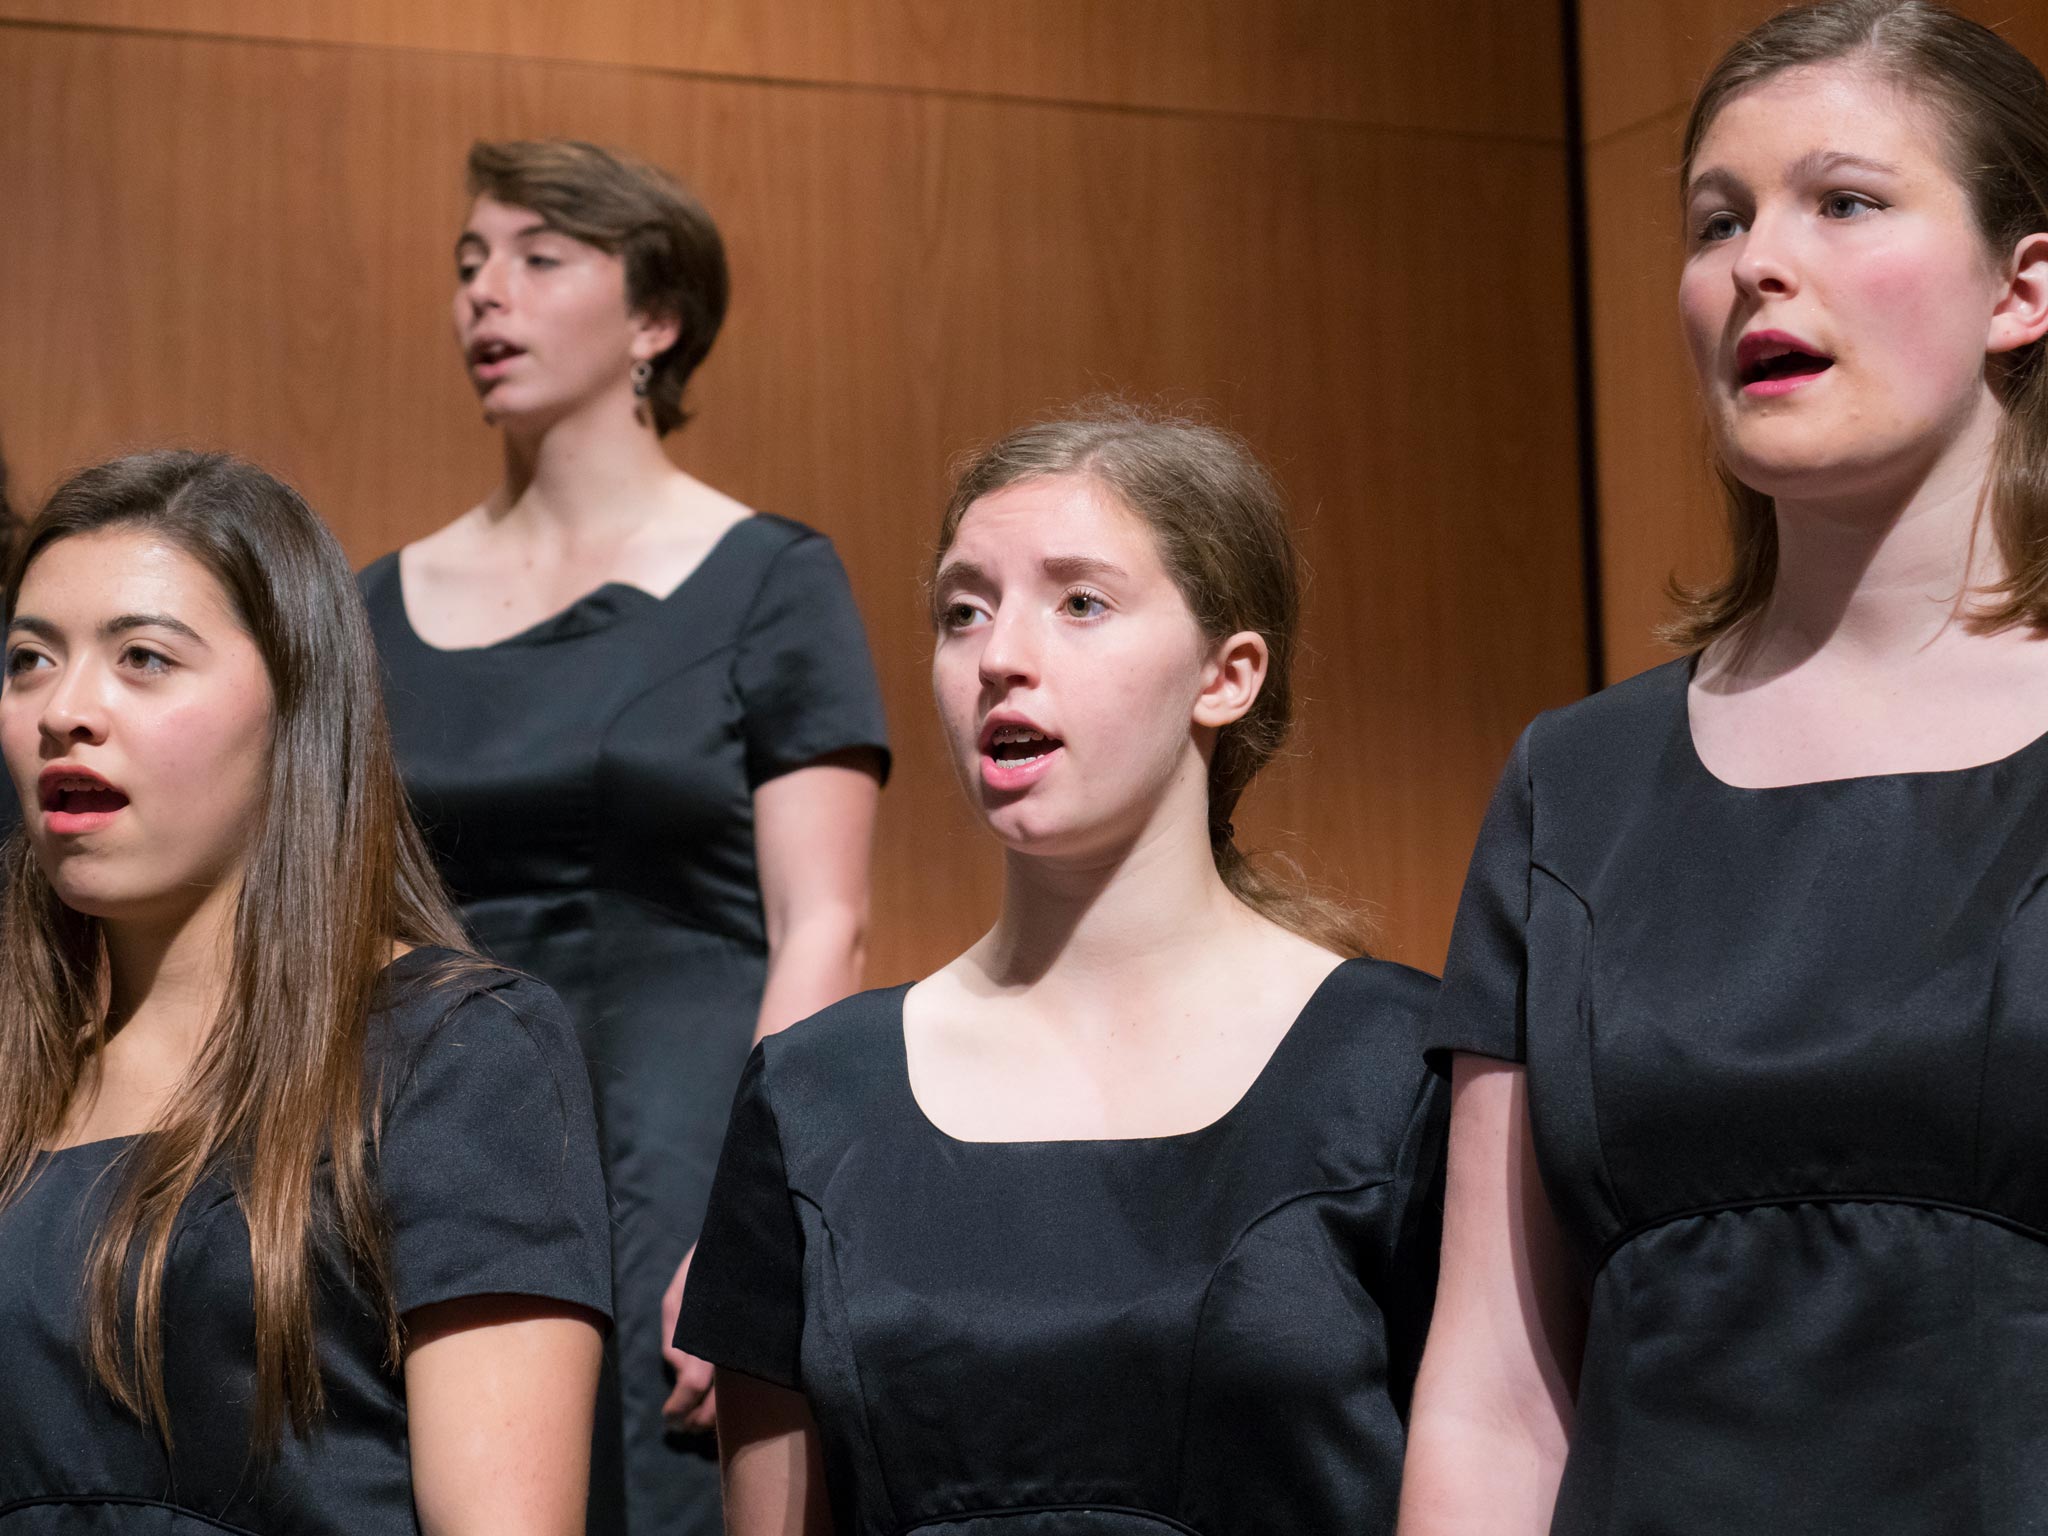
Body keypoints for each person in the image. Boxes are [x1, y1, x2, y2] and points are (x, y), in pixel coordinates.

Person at [1400, 3, 2048, 1530]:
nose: (1760, 258)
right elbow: (1492, 1396)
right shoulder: (1578, 784)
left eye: (1845, 201)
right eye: (1718, 220)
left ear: (2024, 289)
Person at [677, 404, 1447, 1535]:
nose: (997, 658)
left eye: (1079, 602)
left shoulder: (1397, 1067)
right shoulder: (812, 1092)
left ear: (1224, 676)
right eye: (961, 611)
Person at [360, 139, 889, 1535]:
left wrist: (756, 1221)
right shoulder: (373, 604)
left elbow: (824, 921)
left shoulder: (771, 577)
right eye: (469, 262)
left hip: (686, 1134)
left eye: (538, 259)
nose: (486, 295)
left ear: (655, 318)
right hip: (443, 1120)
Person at [0, 450, 611, 1533]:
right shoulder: (15, 1061)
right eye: (29, 661)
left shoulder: (455, 1055)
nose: (66, 710)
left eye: (142, 658)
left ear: (296, 705)